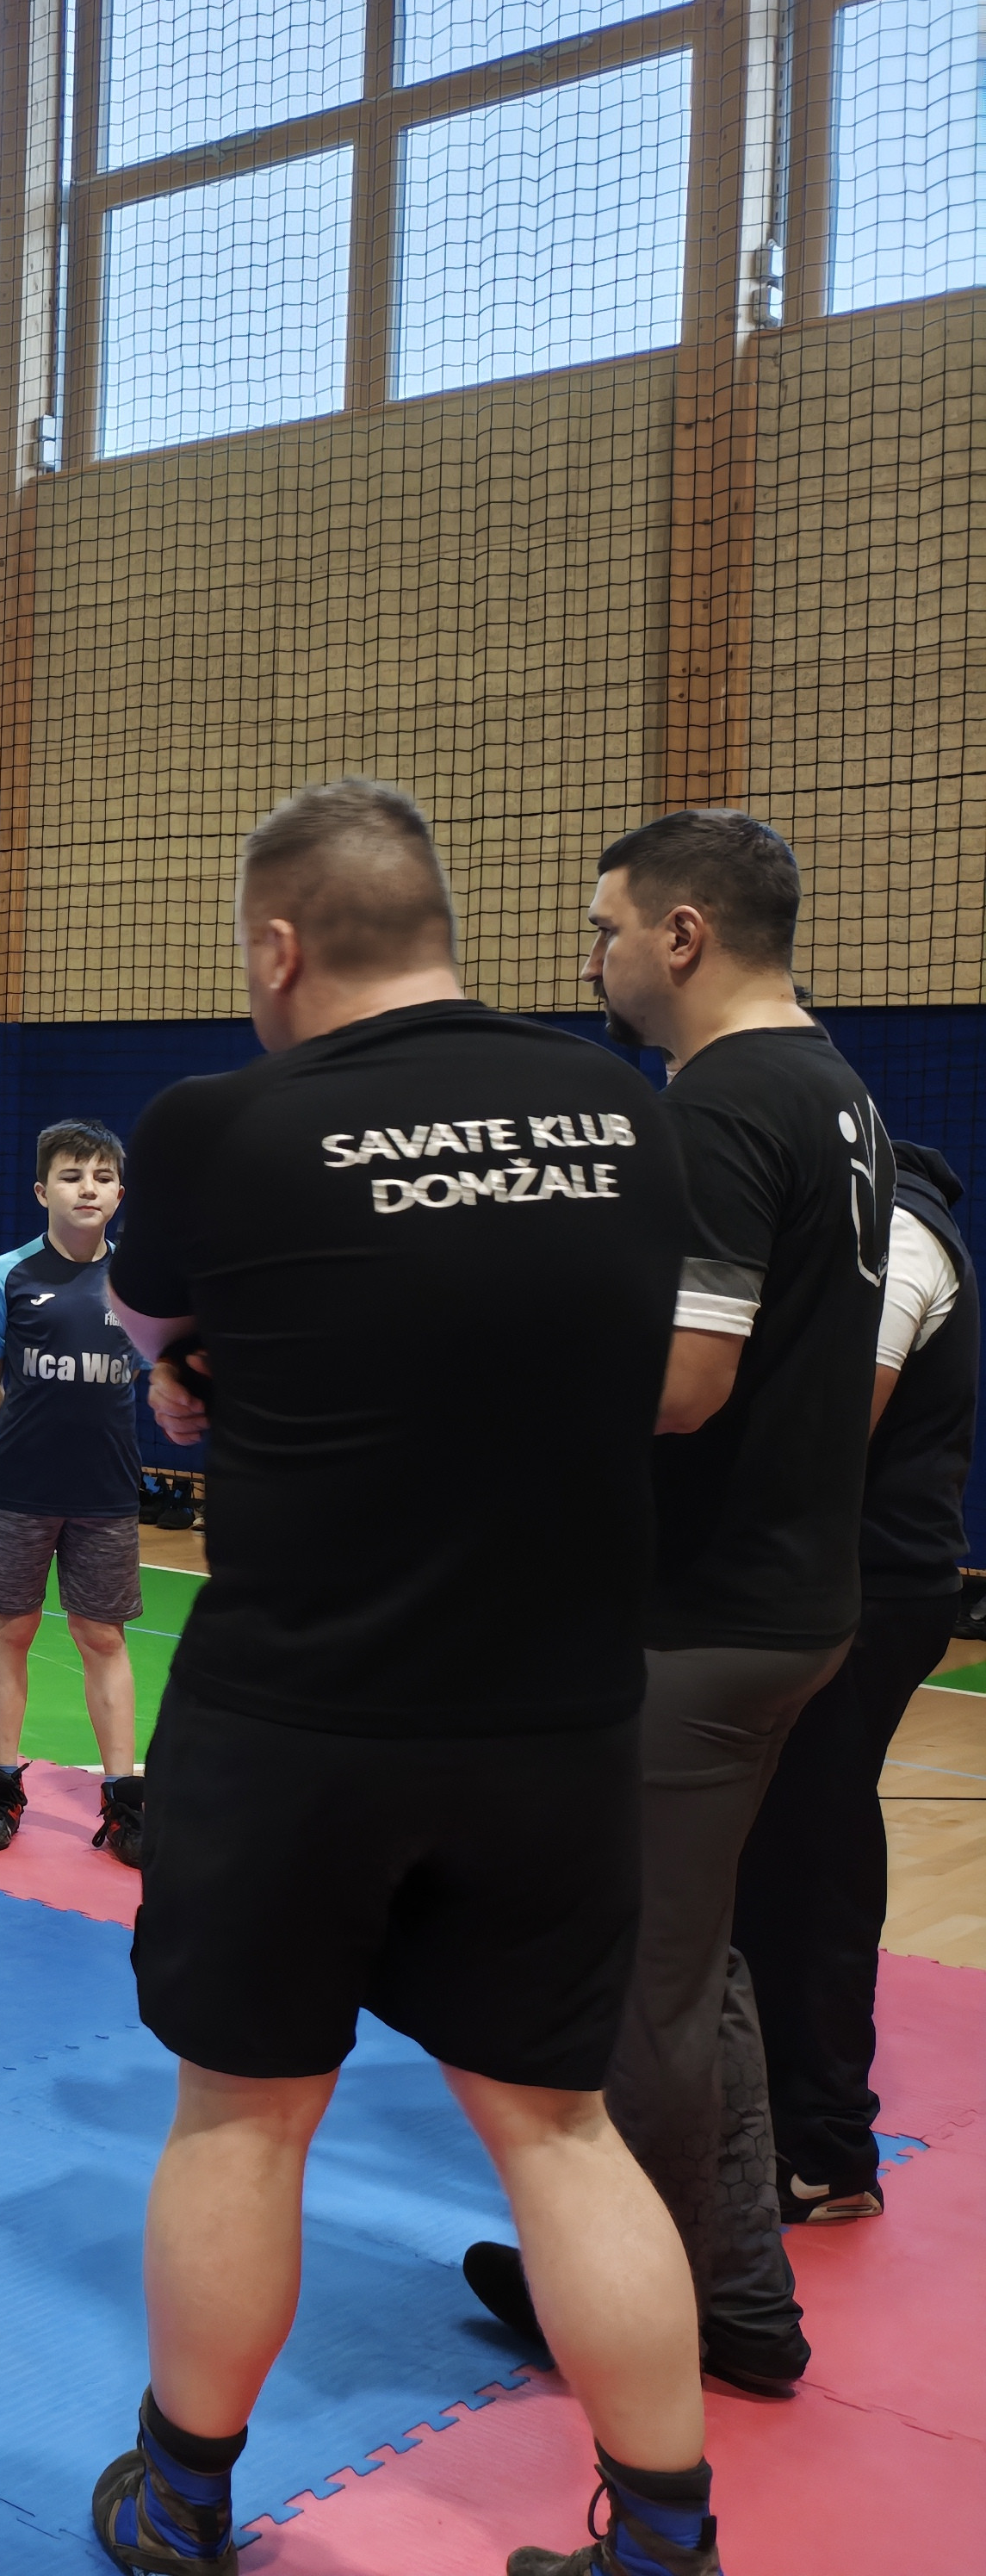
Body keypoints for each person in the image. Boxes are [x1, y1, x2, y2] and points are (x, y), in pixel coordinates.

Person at [88, 779, 722, 2576]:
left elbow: (164, 1342)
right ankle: (663, 2543)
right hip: (555, 1709)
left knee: (239, 2114)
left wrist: (202, 1379)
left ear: (278, 946)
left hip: (303, 1711)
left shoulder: (217, 1125)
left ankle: (179, 2497)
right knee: (557, 2128)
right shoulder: (621, 1106)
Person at [465, 810, 890, 2408]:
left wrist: (491, 1377)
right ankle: (738, 2290)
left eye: (605, 930)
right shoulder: (835, 1087)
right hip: (789, 1597)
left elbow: (688, 1379)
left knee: (639, 1989)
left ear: (685, 934)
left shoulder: (716, 1099)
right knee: (696, 1960)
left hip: (708, 1619)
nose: (593, 960)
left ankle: (638, 2309)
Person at [733, 1140, 971, 2226]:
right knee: (777, 1847)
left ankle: (822, 2143)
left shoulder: (900, 1231)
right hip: (830, 1582)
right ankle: (777, 2122)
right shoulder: (859, 1227)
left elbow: (831, 1425)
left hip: (863, 1593)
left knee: (812, 1851)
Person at [0, 1120, 148, 1864]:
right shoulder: (3, 1276)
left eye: (102, 1177)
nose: (88, 1188)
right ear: (43, 1191)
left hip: (107, 1496)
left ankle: (123, 1800)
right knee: (12, 1629)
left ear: (120, 1193)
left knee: (102, 1637)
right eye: (72, 1177)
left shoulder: (139, 1279)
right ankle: (1, 1788)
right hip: (20, 1492)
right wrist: (23, 1445)